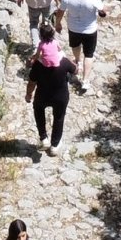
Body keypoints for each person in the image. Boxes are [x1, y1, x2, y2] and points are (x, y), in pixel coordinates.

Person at [26, 24, 72, 156]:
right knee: (59, 118)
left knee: (38, 109)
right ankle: (55, 146)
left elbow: (32, 82)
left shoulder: (39, 65)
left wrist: (28, 94)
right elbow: (74, 70)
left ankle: (43, 138)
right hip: (61, 96)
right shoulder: (63, 61)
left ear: (40, 36)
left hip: (42, 95)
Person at [62, 0, 103, 90]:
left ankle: (78, 61)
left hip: (73, 28)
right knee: (89, 55)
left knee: (75, 46)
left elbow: (61, 11)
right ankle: (85, 81)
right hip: (90, 30)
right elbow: (102, 11)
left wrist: (58, 23)